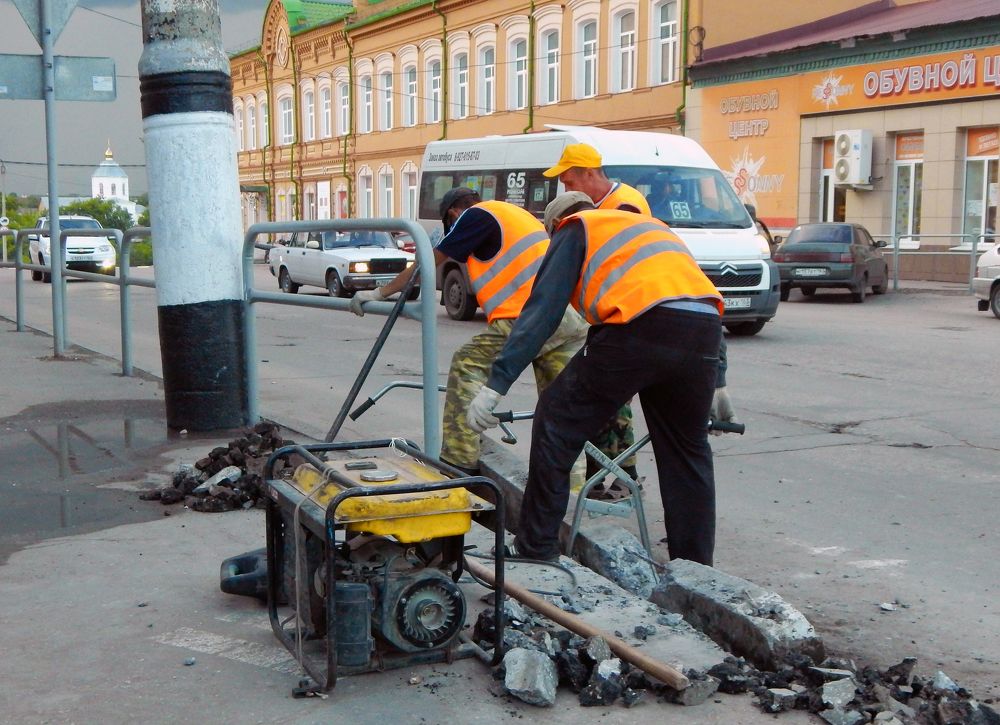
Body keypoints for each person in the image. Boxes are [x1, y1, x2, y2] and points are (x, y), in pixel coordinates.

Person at [467, 192, 725, 566]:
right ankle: (697, 569)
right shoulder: (653, 229)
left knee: (556, 422)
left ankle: (536, 548)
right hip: (703, 331)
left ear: (553, 228)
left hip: (639, 327)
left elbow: (543, 312)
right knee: (687, 452)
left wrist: (495, 386)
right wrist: (719, 379)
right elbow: (698, 295)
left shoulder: (575, 229)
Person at [349, 188, 599, 476]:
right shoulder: (514, 215)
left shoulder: (476, 215)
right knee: (558, 402)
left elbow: (429, 263)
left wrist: (379, 293)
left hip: (530, 317)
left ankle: (459, 461)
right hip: (568, 315)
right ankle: (572, 482)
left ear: (453, 212)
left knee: (467, 363)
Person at [543, 143, 651, 215]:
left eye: (570, 183)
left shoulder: (624, 206)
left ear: (589, 173)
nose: (567, 190)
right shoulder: (594, 204)